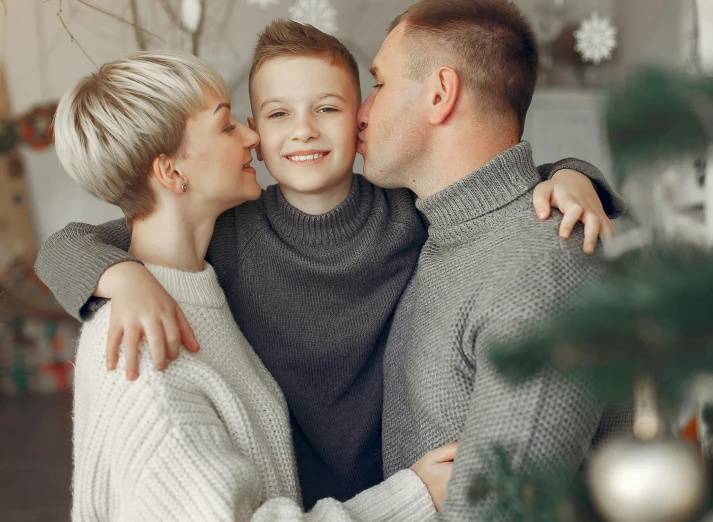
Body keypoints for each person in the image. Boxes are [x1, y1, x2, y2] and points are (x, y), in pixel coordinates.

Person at [35, 22, 623, 508]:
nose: (304, 131)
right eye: (270, 116)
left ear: (359, 121)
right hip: (299, 503)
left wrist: (573, 175)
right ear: (257, 132)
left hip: (400, 491)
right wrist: (122, 277)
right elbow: (69, 245)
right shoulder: (224, 234)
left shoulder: (408, 213)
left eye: (330, 107)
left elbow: (482, 194)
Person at [58, 50, 457, 521]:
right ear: (171, 172)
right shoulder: (143, 351)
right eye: (228, 126)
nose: (253, 137)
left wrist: (566, 173)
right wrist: (412, 499)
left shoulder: (192, 287)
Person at [357, 1, 631, 519]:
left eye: (379, 84)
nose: (361, 112)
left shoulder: (543, 267)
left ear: (439, 94)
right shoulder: (444, 230)